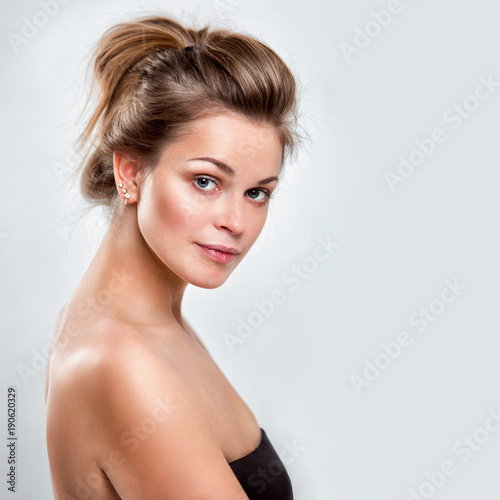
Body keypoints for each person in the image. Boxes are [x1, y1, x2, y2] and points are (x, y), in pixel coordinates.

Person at [45, 13, 302, 500]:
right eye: (206, 181)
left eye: (257, 193)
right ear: (131, 171)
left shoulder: (147, 322)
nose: (236, 222)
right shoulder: (119, 361)